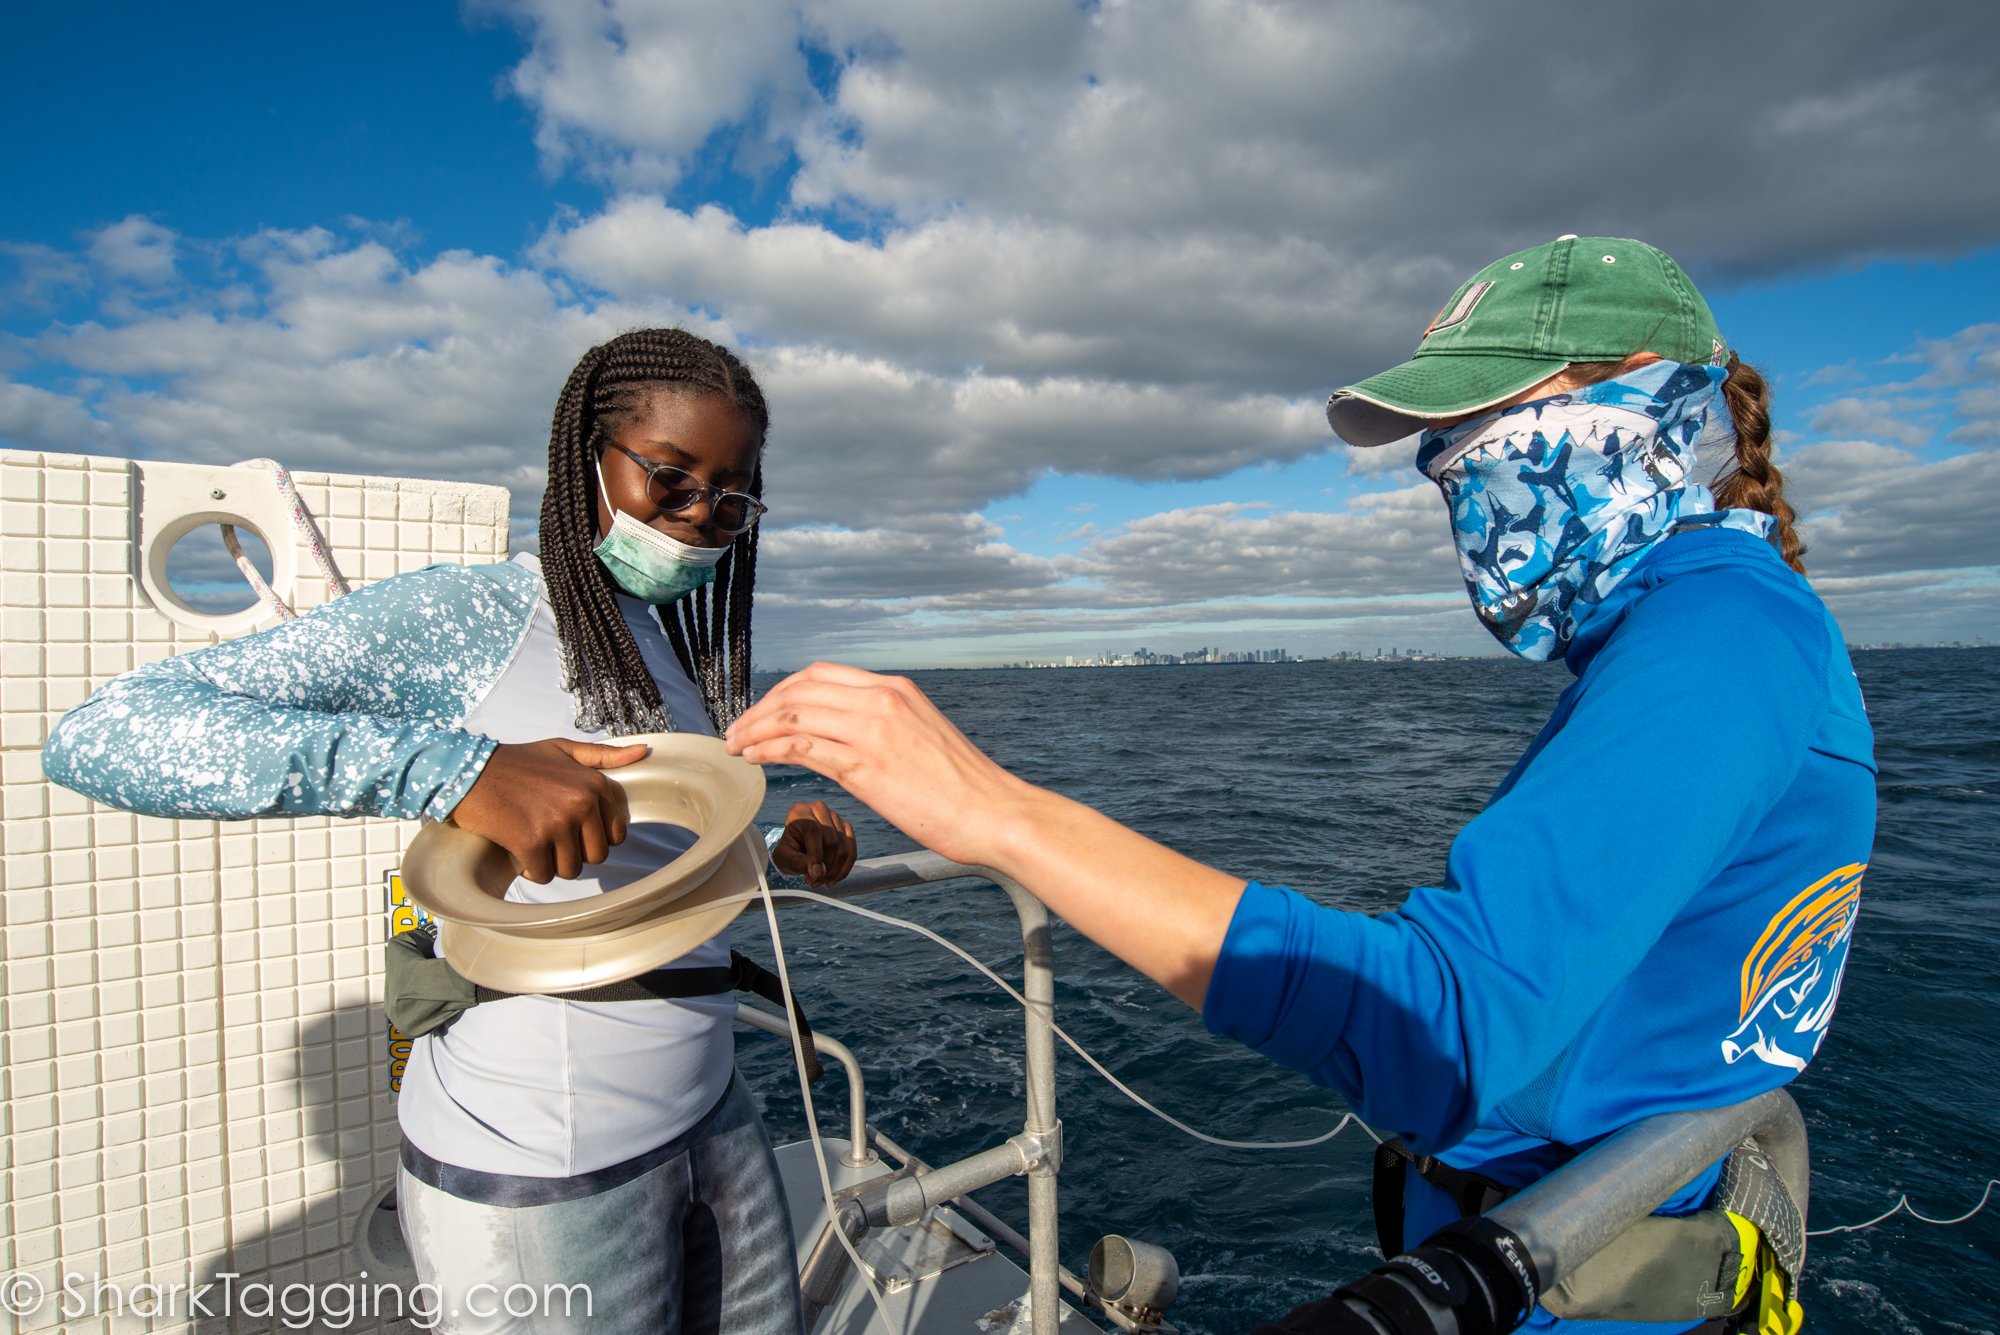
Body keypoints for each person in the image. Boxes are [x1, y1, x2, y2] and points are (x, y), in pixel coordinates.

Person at [723, 238, 1876, 1334]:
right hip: (1531, 1252)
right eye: (1443, 448)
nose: (1455, 473)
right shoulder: (1705, 632)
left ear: (1653, 397)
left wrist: (998, 814)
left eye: (1486, 424)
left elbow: (1447, 1029)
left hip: (1570, 1283)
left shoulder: (1722, 637)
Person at [44, 327, 856, 1335]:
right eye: (671, 479)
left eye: (730, 500)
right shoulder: (471, 616)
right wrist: (460, 772)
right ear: (584, 461)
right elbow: (108, 733)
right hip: (546, 1165)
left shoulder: (663, 644)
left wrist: (776, 857)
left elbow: (645, 872)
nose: (699, 521)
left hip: (711, 1115)